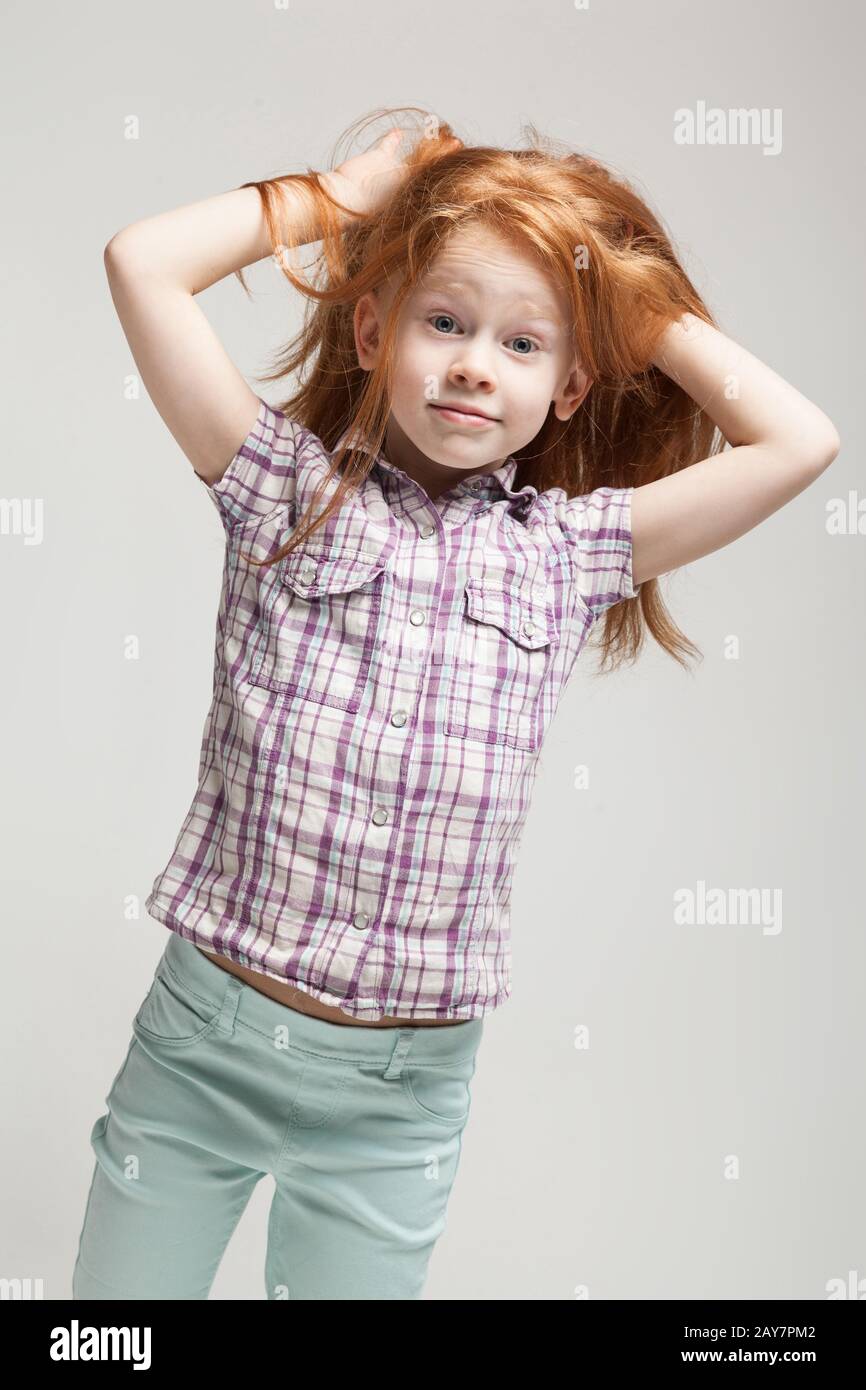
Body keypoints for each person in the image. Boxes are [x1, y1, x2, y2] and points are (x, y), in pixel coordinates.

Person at [72, 110, 840, 1300]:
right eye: (444, 322)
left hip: (399, 1097)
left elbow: (799, 440)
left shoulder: (570, 552)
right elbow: (142, 262)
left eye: (525, 344)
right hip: (204, 1045)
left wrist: (627, 295)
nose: (477, 361)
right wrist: (334, 196)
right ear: (375, 333)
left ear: (575, 384)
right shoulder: (281, 490)